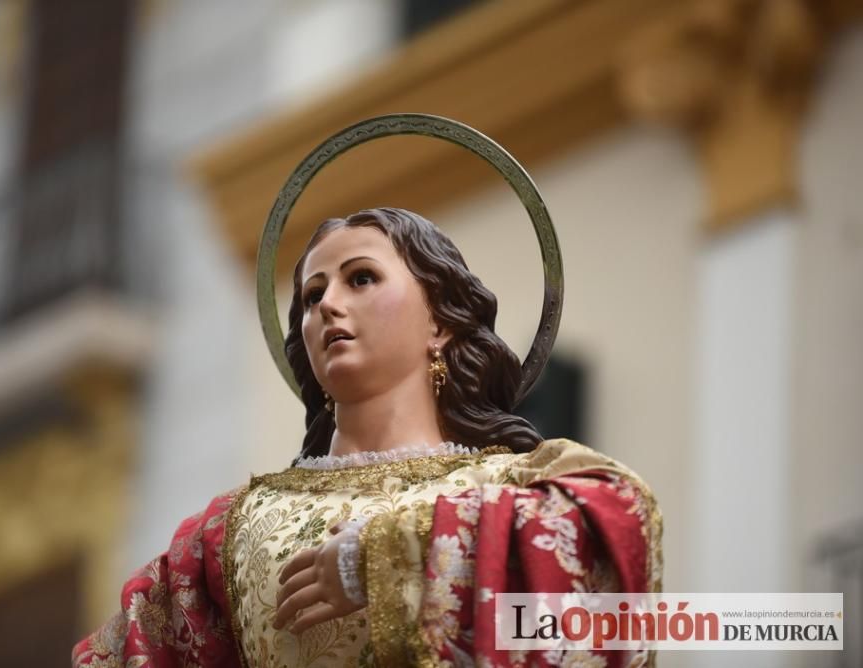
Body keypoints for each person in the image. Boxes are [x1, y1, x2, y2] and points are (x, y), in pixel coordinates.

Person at [72, 208, 662, 667]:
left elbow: (613, 529)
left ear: (441, 320)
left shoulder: (517, 485)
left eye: (361, 278)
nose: (328, 303)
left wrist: (387, 558)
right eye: (311, 295)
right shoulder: (226, 534)